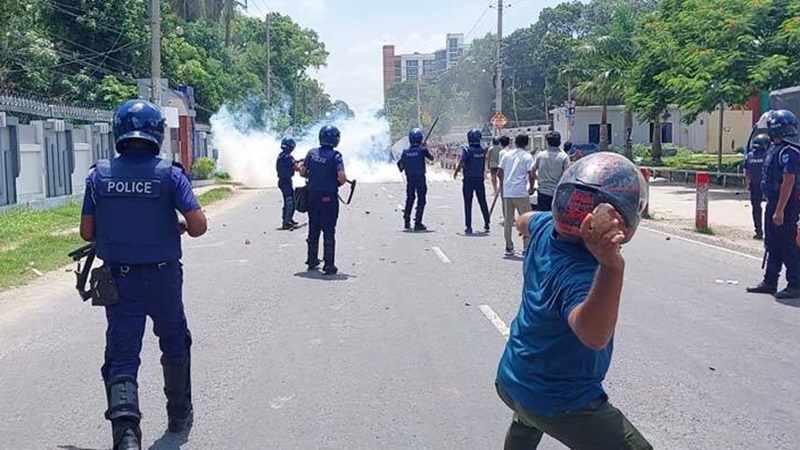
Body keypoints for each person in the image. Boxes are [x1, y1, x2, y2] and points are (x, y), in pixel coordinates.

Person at [495, 152, 651, 450]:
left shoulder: (543, 227)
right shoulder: (582, 271)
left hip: (513, 376)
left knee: (527, 419)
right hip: (559, 397)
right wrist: (611, 266)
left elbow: (525, 220)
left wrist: (523, 224)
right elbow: (593, 335)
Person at [79, 99, 207, 450]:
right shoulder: (170, 174)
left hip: (120, 280)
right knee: (175, 341)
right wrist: (176, 223)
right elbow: (198, 227)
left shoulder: (98, 175)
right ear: (157, 134)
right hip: (164, 278)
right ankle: (179, 414)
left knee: (122, 355)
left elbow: (87, 233)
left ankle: (127, 437)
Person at [747, 110, 800, 300]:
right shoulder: (774, 149)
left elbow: (788, 182)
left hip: (785, 203)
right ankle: (770, 281)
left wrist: (779, 210)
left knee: (787, 244)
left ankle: (795, 283)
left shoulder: (789, 151)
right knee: (772, 243)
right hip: (773, 203)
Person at [300, 125, 348, 275]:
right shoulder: (336, 156)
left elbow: (302, 172)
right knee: (328, 230)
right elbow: (342, 177)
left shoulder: (311, 153)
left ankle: (312, 260)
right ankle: (329, 265)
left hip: (312, 197)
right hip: (329, 198)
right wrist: (335, 183)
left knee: (313, 228)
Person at [498, 134, 534, 256]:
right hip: (521, 192)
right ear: (526, 143)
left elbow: (499, 172)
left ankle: (508, 246)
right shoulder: (527, 156)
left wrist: (503, 184)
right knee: (526, 221)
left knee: (508, 221)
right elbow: (531, 173)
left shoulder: (507, 155)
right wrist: (531, 187)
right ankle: (526, 247)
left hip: (508, 193)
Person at [454, 128, 491, 234]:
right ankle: (487, 222)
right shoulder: (482, 150)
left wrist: (456, 172)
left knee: (468, 203)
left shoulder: (467, 150)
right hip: (479, 179)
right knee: (482, 201)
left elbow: (462, 163)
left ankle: (469, 226)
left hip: (468, 180)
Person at [399, 127, 434, 231]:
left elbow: (400, 167)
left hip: (410, 178)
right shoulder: (422, 150)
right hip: (420, 178)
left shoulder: (405, 152)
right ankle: (418, 222)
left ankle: (406, 219)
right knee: (421, 199)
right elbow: (432, 158)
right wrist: (425, 147)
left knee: (410, 198)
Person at [532, 131, 570, 211]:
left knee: (543, 219)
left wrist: (538, 179)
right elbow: (568, 175)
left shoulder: (540, 156)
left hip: (543, 192)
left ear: (547, 142)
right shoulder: (564, 157)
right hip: (557, 193)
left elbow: (532, 172)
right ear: (559, 142)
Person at [744, 134, 770, 240]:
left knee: (756, 208)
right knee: (770, 208)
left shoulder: (749, 156)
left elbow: (746, 172)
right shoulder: (768, 155)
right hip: (767, 185)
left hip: (754, 185)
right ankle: (770, 233)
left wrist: (747, 183)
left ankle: (758, 231)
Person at [276, 137, 299, 230]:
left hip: (283, 181)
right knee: (290, 202)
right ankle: (287, 222)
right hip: (286, 182)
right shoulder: (288, 157)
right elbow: (296, 168)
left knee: (289, 201)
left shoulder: (281, 155)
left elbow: (291, 163)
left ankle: (288, 219)